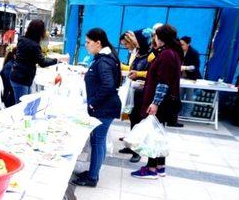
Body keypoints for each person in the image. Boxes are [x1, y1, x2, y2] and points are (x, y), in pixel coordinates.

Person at [131, 24, 182, 180]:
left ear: (161, 37)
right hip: (163, 101)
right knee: (158, 133)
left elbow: (163, 82)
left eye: (156, 36)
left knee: (152, 135)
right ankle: (160, 167)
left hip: (159, 102)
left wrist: (155, 103)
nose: (154, 38)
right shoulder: (170, 52)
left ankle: (151, 168)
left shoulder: (167, 55)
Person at [72, 28, 121, 187]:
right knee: (99, 141)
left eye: (88, 42)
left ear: (98, 43)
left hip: (104, 109)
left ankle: (92, 177)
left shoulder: (104, 60)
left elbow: (108, 85)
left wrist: (93, 103)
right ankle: (94, 171)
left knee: (98, 142)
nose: (86, 45)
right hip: (106, 107)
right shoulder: (104, 57)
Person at [117, 30, 154, 163]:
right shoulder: (139, 53)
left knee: (139, 120)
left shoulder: (151, 54)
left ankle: (137, 151)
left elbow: (152, 72)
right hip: (135, 90)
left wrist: (138, 73)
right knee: (133, 118)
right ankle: (131, 145)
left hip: (144, 92)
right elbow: (132, 68)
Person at [9, 19, 61, 104]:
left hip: (19, 76)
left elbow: (33, 57)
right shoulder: (33, 45)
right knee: (22, 107)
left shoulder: (23, 40)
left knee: (27, 104)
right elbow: (42, 62)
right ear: (40, 31)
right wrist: (57, 60)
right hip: (22, 78)